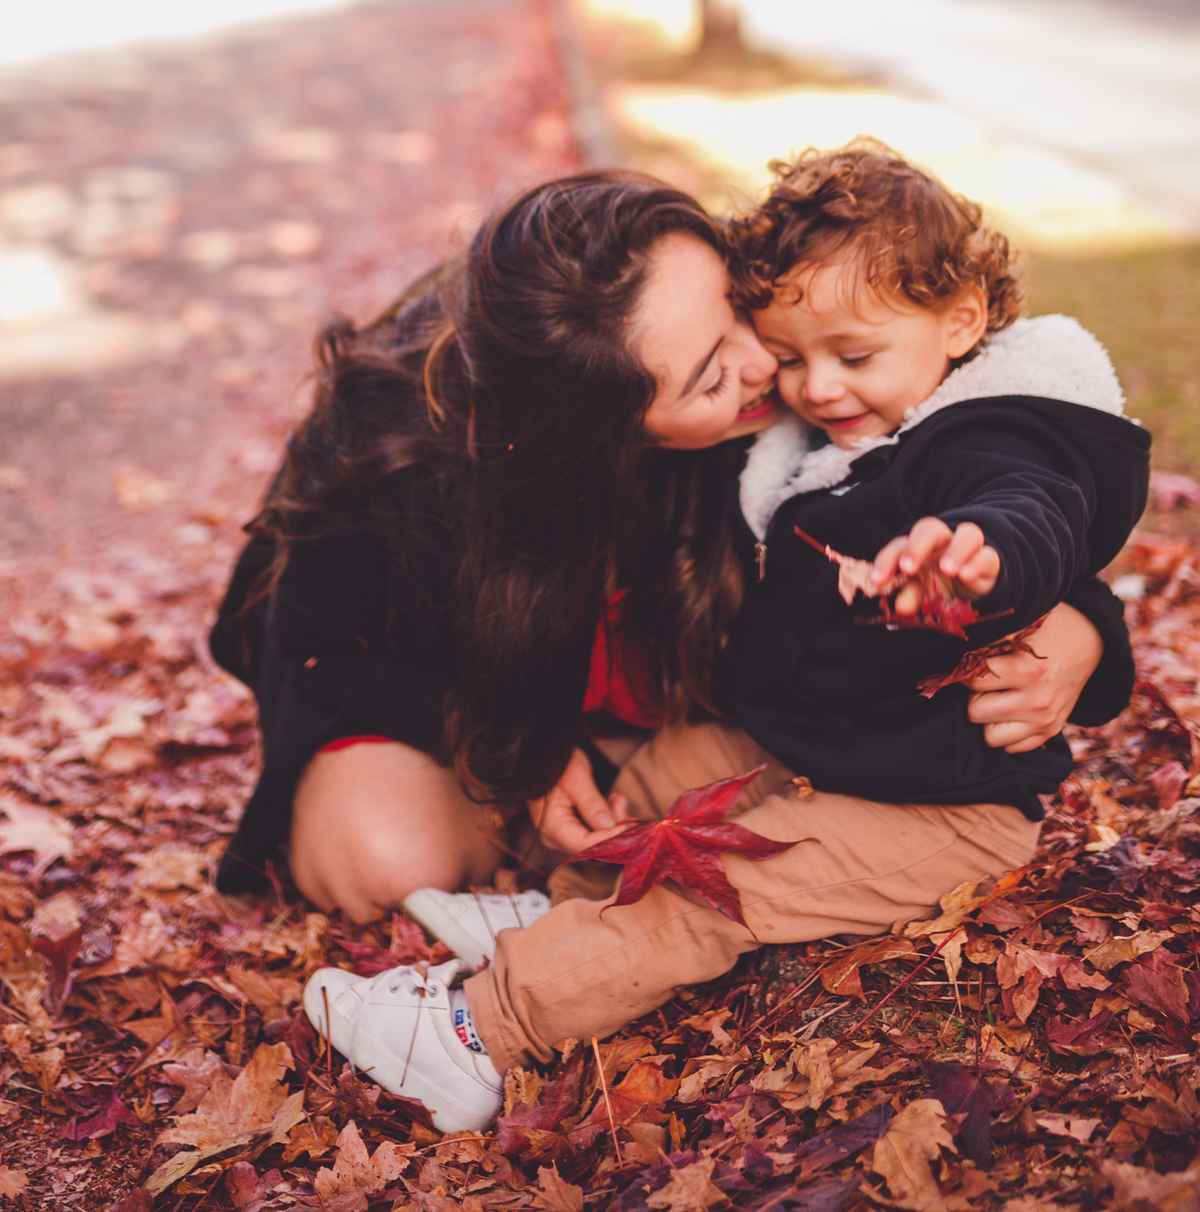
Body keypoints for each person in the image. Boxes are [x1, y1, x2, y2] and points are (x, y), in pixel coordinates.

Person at [273, 171, 1134, 1132]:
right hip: (802, 734)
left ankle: (481, 1032)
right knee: (664, 777)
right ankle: (560, 912)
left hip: (933, 786)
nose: (782, 377)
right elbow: (296, 633)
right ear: (608, 427)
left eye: (737, 319)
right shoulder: (423, 457)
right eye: (711, 376)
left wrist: (1076, 615)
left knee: (710, 893)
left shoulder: (854, 384)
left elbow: (1023, 494)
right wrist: (511, 734)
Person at [726, 141, 1150, 811]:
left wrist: (977, 549)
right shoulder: (798, 451)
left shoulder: (986, 435)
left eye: (856, 356)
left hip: (936, 798)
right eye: (788, 358)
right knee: (630, 794)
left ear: (959, 321)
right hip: (797, 740)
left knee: (700, 909)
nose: (819, 387)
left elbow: (1032, 505)